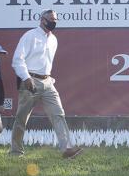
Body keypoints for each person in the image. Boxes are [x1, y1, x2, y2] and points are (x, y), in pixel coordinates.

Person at [11, 9, 82, 159]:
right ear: (42, 20)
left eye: (55, 19)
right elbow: (17, 59)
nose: (54, 22)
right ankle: (16, 151)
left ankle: (67, 149)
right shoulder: (30, 36)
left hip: (48, 82)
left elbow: (47, 62)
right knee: (22, 118)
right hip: (30, 80)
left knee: (58, 114)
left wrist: (48, 77)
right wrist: (26, 78)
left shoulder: (53, 39)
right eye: (51, 19)